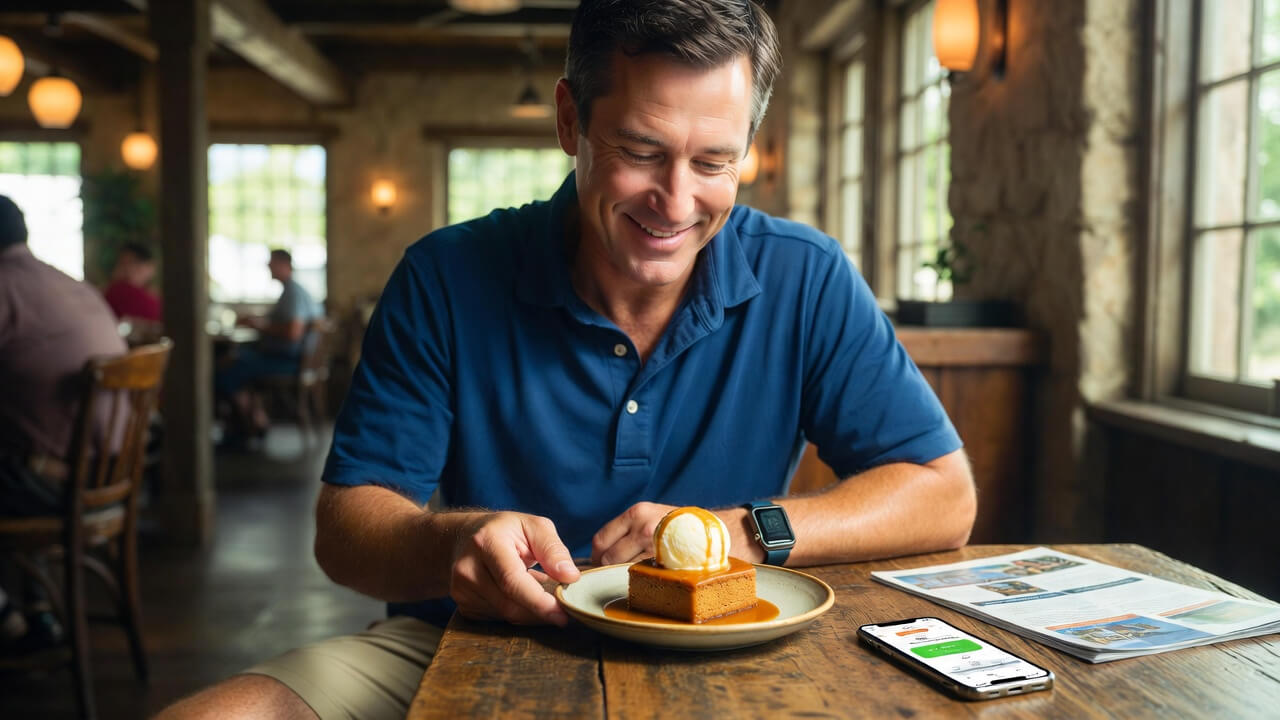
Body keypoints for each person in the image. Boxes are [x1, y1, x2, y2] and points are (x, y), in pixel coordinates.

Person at [160, 1, 974, 717]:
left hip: (740, 647)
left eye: (713, 162)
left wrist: (739, 535)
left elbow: (944, 494)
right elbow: (346, 532)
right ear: (569, 123)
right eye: (642, 150)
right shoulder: (445, 276)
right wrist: (454, 544)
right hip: (469, 645)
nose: (677, 202)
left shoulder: (807, 274)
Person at [0, 194, 127, 651]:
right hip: (113, 479)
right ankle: (33, 608)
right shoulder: (74, 285)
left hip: (55, 484)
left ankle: (7, 614)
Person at [214, 248, 322, 440]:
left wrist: (260, 326)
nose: (268, 267)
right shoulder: (291, 291)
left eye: (271, 263)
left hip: (289, 362)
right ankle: (251, 422)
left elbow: (292, 332)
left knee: (227, 370)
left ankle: (250, 426)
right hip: (289, 358)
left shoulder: (293, 293)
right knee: (235, 357)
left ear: (284, 265)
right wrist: (259, 321)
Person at [102, 241, 163, 325]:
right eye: (123, 263)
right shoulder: (118, 291)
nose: (129, 269)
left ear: (151, 267)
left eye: (135, 263)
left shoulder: (152, 294)